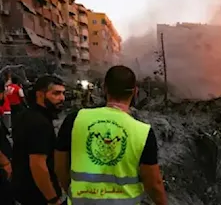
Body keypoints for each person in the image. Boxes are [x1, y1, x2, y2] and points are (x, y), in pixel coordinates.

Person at [55, 65, 167, 206]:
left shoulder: (75, 119)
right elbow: (154, 183)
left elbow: (59, 166)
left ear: (104, 88)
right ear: (135, 92)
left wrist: (73, 193)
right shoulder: (143, 132)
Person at [12, 75, 66, 206]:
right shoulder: (39, 123)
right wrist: (52, 199)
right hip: (37, 196)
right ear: (40, 95)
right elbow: (38, 165)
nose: (62, 98)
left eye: (63, 93)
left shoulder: (26, 115)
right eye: (56, 93)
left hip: (22, 191)